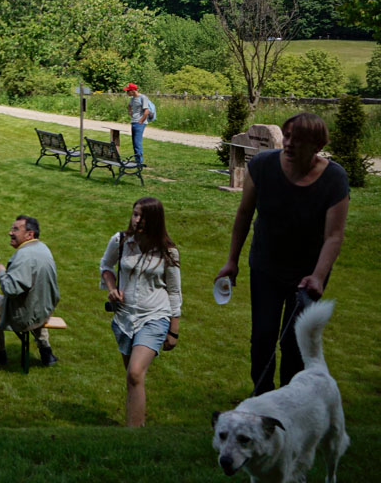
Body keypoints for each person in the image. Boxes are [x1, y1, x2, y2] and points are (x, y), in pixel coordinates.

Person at [214, 112, 349, 394]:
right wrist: (232, 260)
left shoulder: (334, 178)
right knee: (263, 337)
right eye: (287, 136)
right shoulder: (263, 165)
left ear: (317, 146)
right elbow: (244, 214)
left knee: (295, 343)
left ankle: (290, 398)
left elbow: (334, 236)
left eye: (297, 139)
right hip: (266, 266)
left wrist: (318, 276)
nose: (288, 143)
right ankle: (262, 397)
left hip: (307, 274)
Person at [100, 197, 182, 427]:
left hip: (155, 316)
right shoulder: (121, 241)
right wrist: (112, 288)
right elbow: (106, 266)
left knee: (135, 373)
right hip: (124, 318)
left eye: (144, 217)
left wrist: (173, 330)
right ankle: (136, 426)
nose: (137, 220)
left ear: (156, 220)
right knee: (132, 377)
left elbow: (174, 291)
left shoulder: (168, 251)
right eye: (135, 214)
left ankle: (133, 433)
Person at [0, 215, 61, 367]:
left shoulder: (23, 256)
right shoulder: (43, 248)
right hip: (45, 310)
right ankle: (46, 351)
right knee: (31, 300)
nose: (10, 233)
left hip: (25, 315)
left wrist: (1, 272)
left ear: (29, 234)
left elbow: (10, 290)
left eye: (15, 229)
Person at [122, 83, 152, 164]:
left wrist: (141, 121)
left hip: (139, 123)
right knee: (134, 142)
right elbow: (129, 106)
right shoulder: (133, 98)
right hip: (134, 121)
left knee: (137, 142)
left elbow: (146, 111)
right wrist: (130, 111)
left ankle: (139, 162)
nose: (127, 93)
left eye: (128, 91)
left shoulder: (143, 98)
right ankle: (137, 159)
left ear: (133, 91)